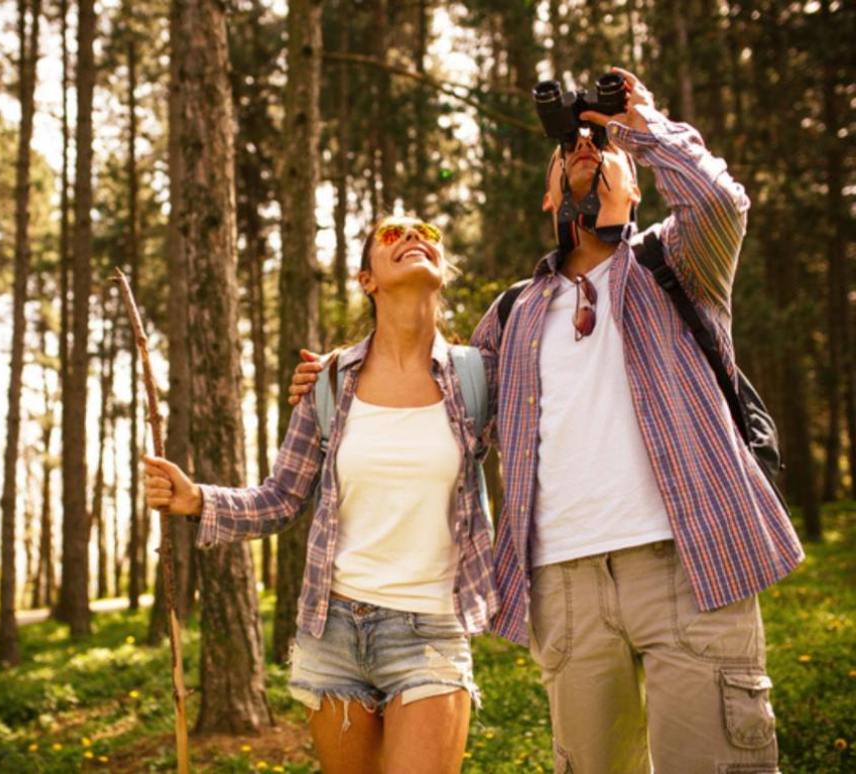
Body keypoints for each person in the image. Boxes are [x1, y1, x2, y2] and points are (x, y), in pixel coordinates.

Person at [289, 68, 803, 773]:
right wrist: (336, 379)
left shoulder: (678, 265)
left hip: (687, 566)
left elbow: (718, 198)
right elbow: (436, 396)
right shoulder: (512, 315)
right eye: (570, 151)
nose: (584, 151)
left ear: (636, 177)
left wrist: (637, 124)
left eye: (601, 149)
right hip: (563, 587)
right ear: (548, 196)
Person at [144, 216, 498, 774]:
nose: (411, 238)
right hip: (332, 630)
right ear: (366, 280)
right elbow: (281, 498)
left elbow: (536, 462)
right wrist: (198, 501)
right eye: (390, 234)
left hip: (431, 627)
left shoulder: (478, 377)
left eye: (426, 231)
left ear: (442, 269)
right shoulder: (331, 383)